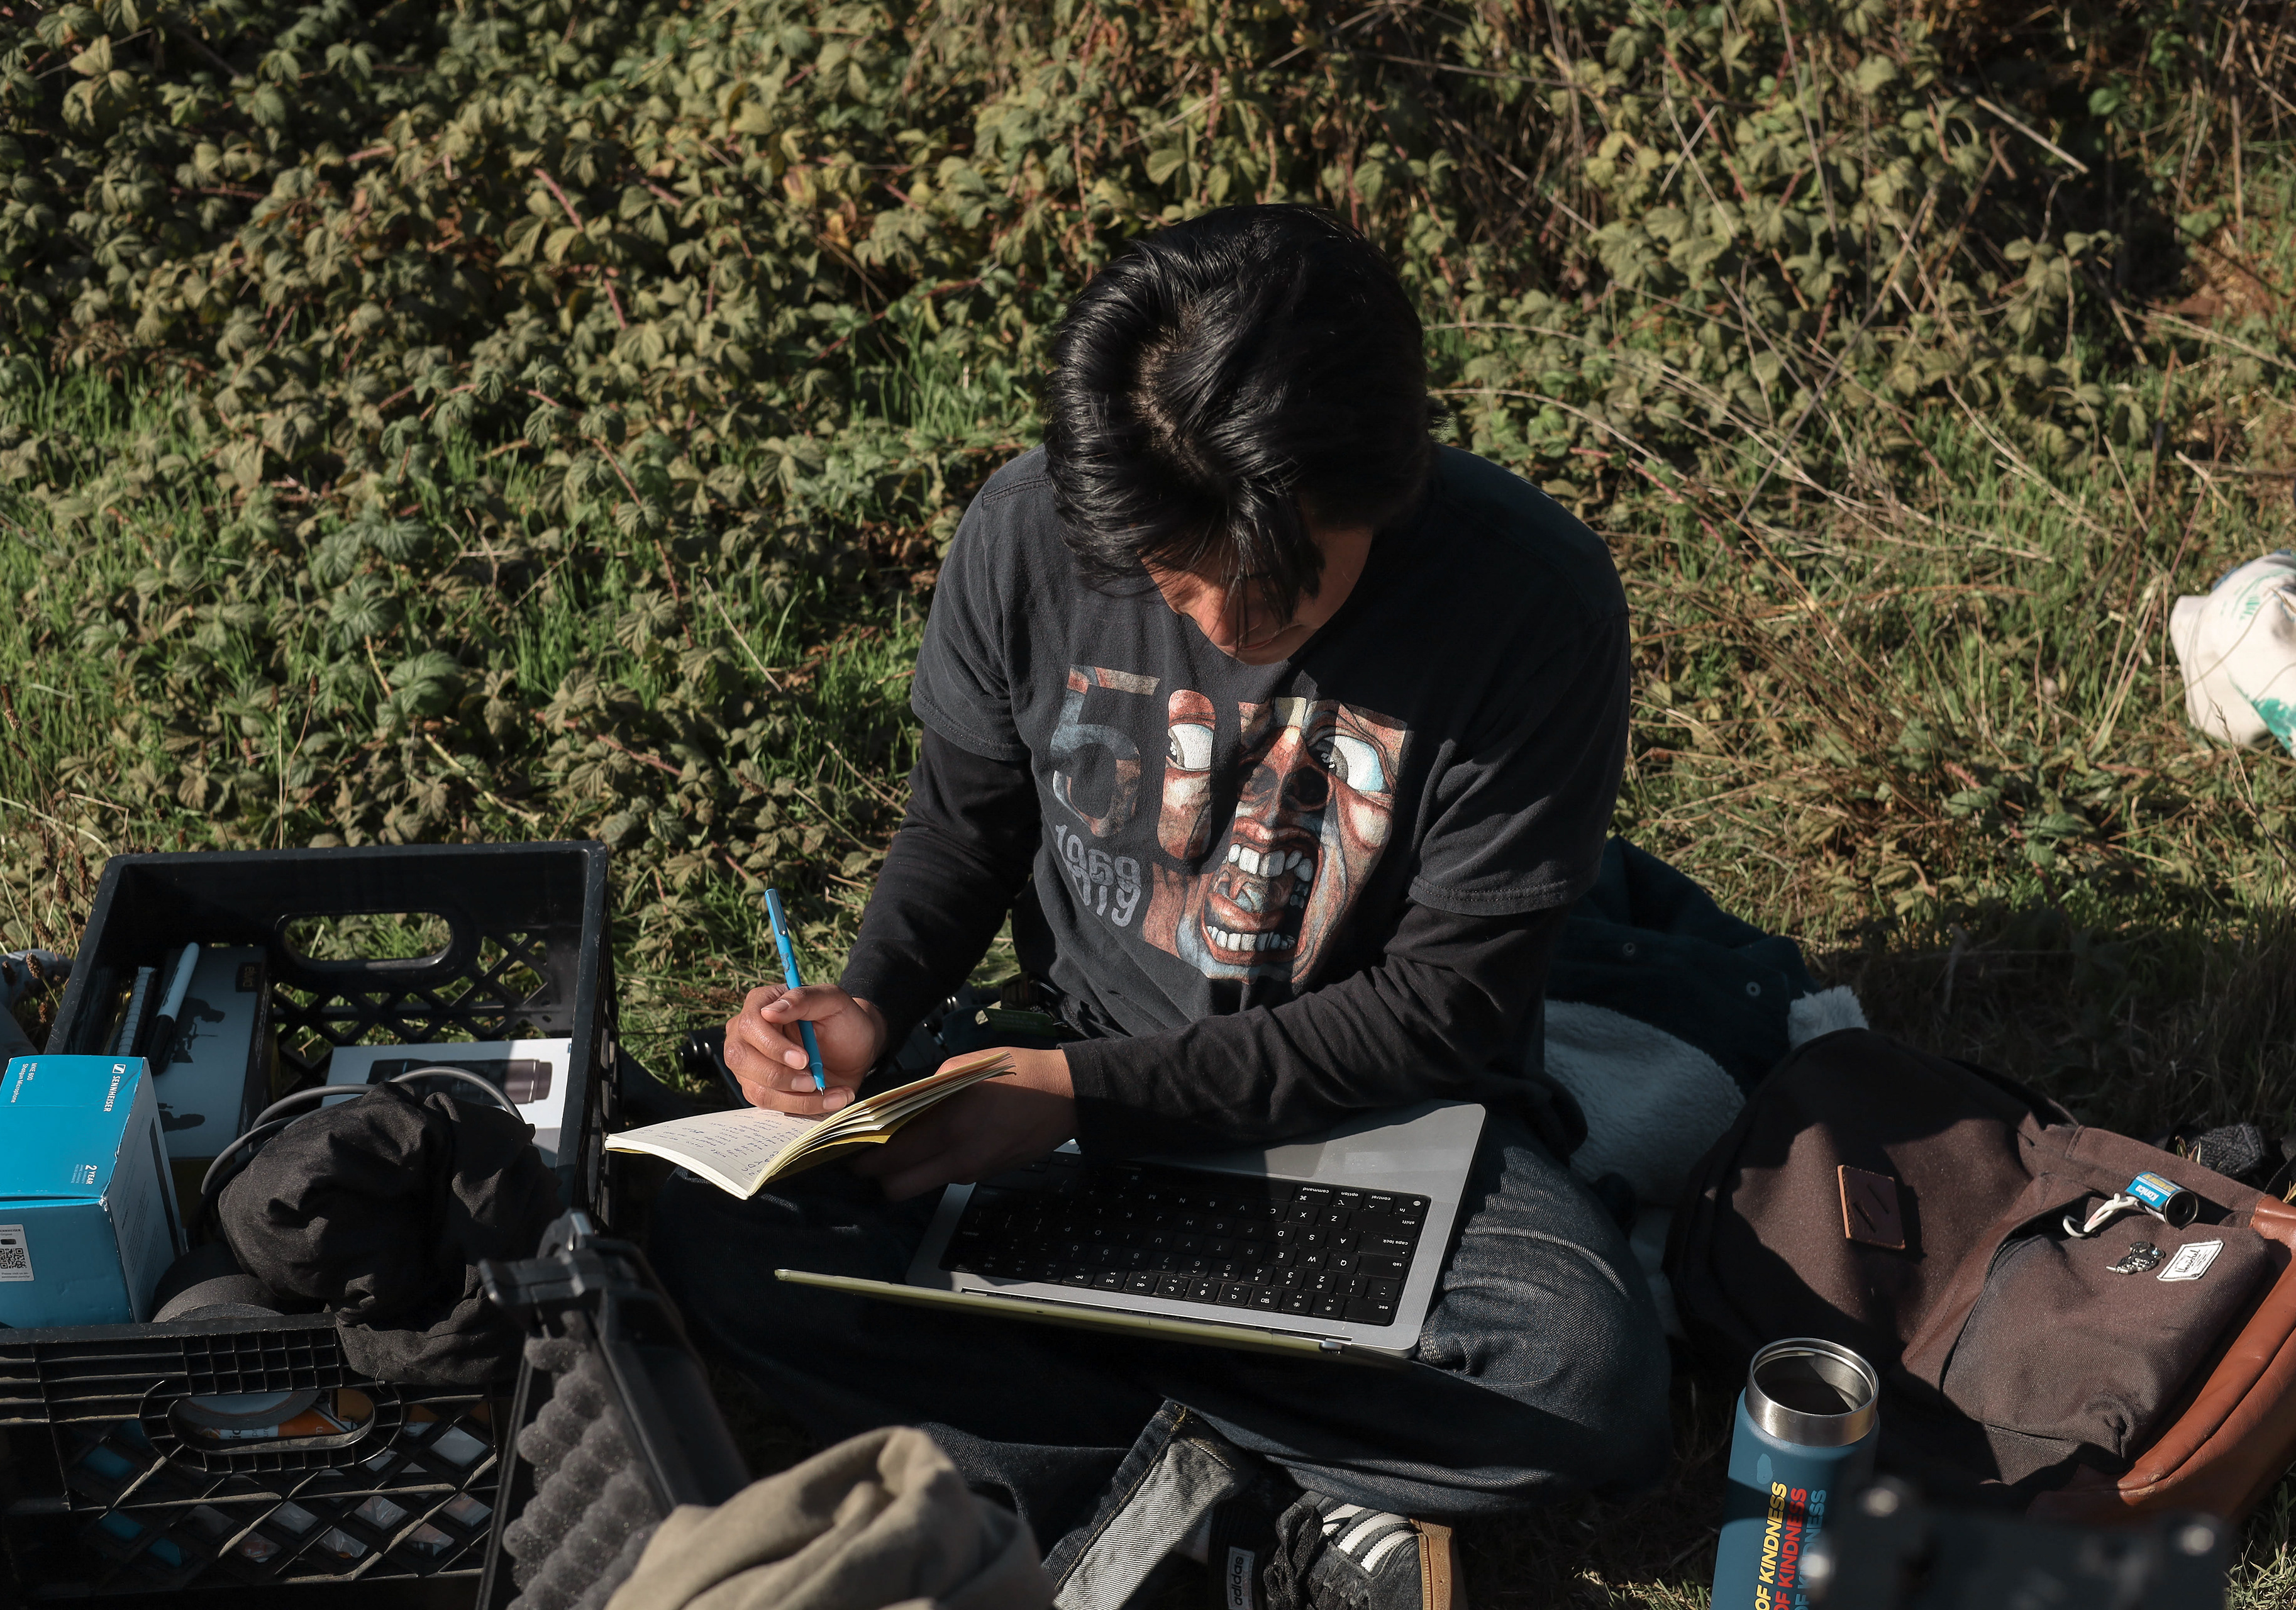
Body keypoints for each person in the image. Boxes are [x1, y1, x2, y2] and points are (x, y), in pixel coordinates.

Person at [648, 205, 1669, 1610]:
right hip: (1067, 1080)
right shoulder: (1031, 528)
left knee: (1580, 1370)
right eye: (1173, 581)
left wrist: (1081, 1099)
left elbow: (1444, 1009)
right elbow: (965, 825)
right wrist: (872, 1000)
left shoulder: (1530, 603)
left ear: (1385, 486)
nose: (1222, 627)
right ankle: (1287, 1485)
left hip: (1370, 1122)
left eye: (1275, 584)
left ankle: (1110, 1467)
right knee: (713, 1235)